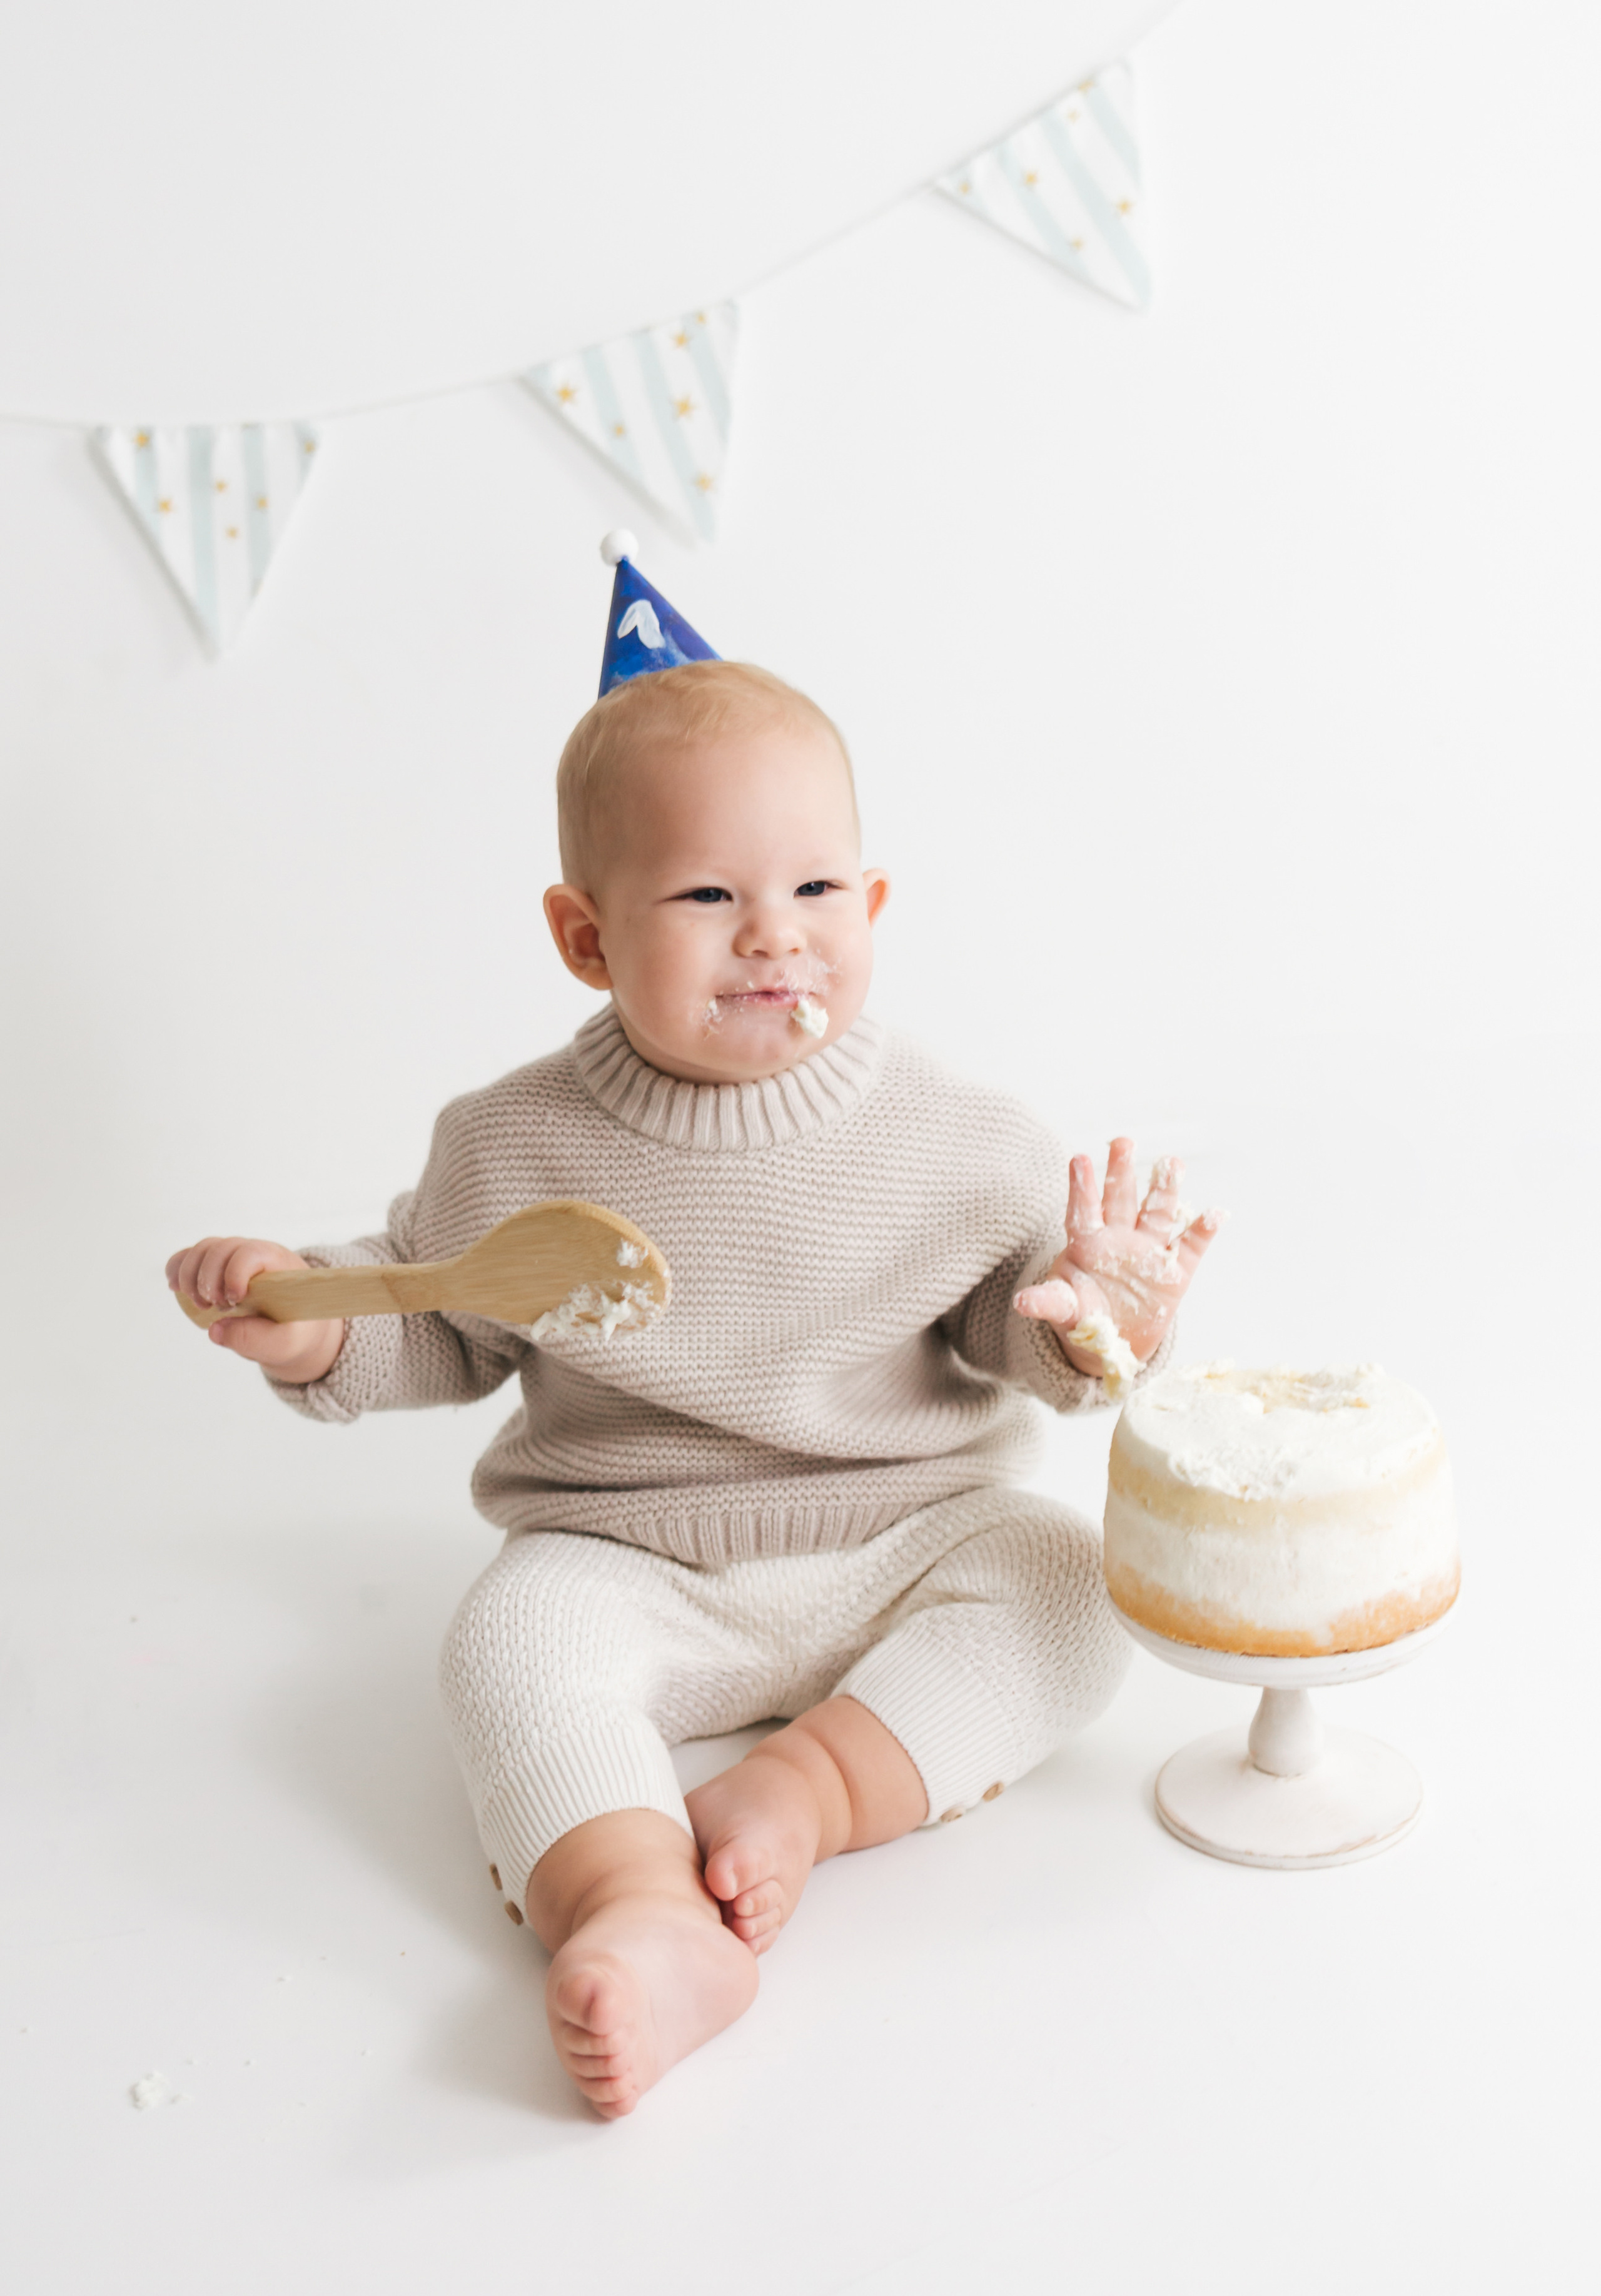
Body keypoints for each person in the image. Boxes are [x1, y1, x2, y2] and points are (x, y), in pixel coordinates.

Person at [166, 555, 1218, 2120]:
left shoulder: (956, 1134)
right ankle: (639, 1908)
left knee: (1072, 1585)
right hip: (629, 1552)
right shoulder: (510, 1147)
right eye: (707, 897)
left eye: (810, 893)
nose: (770, 938)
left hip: (906, 1532)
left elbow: (1013, 1328)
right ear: (584, 938)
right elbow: (442, 1323)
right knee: (505, 1644)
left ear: (868, 906)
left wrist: (1083, 1323)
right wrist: (317, 1334)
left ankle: (799, 1792)